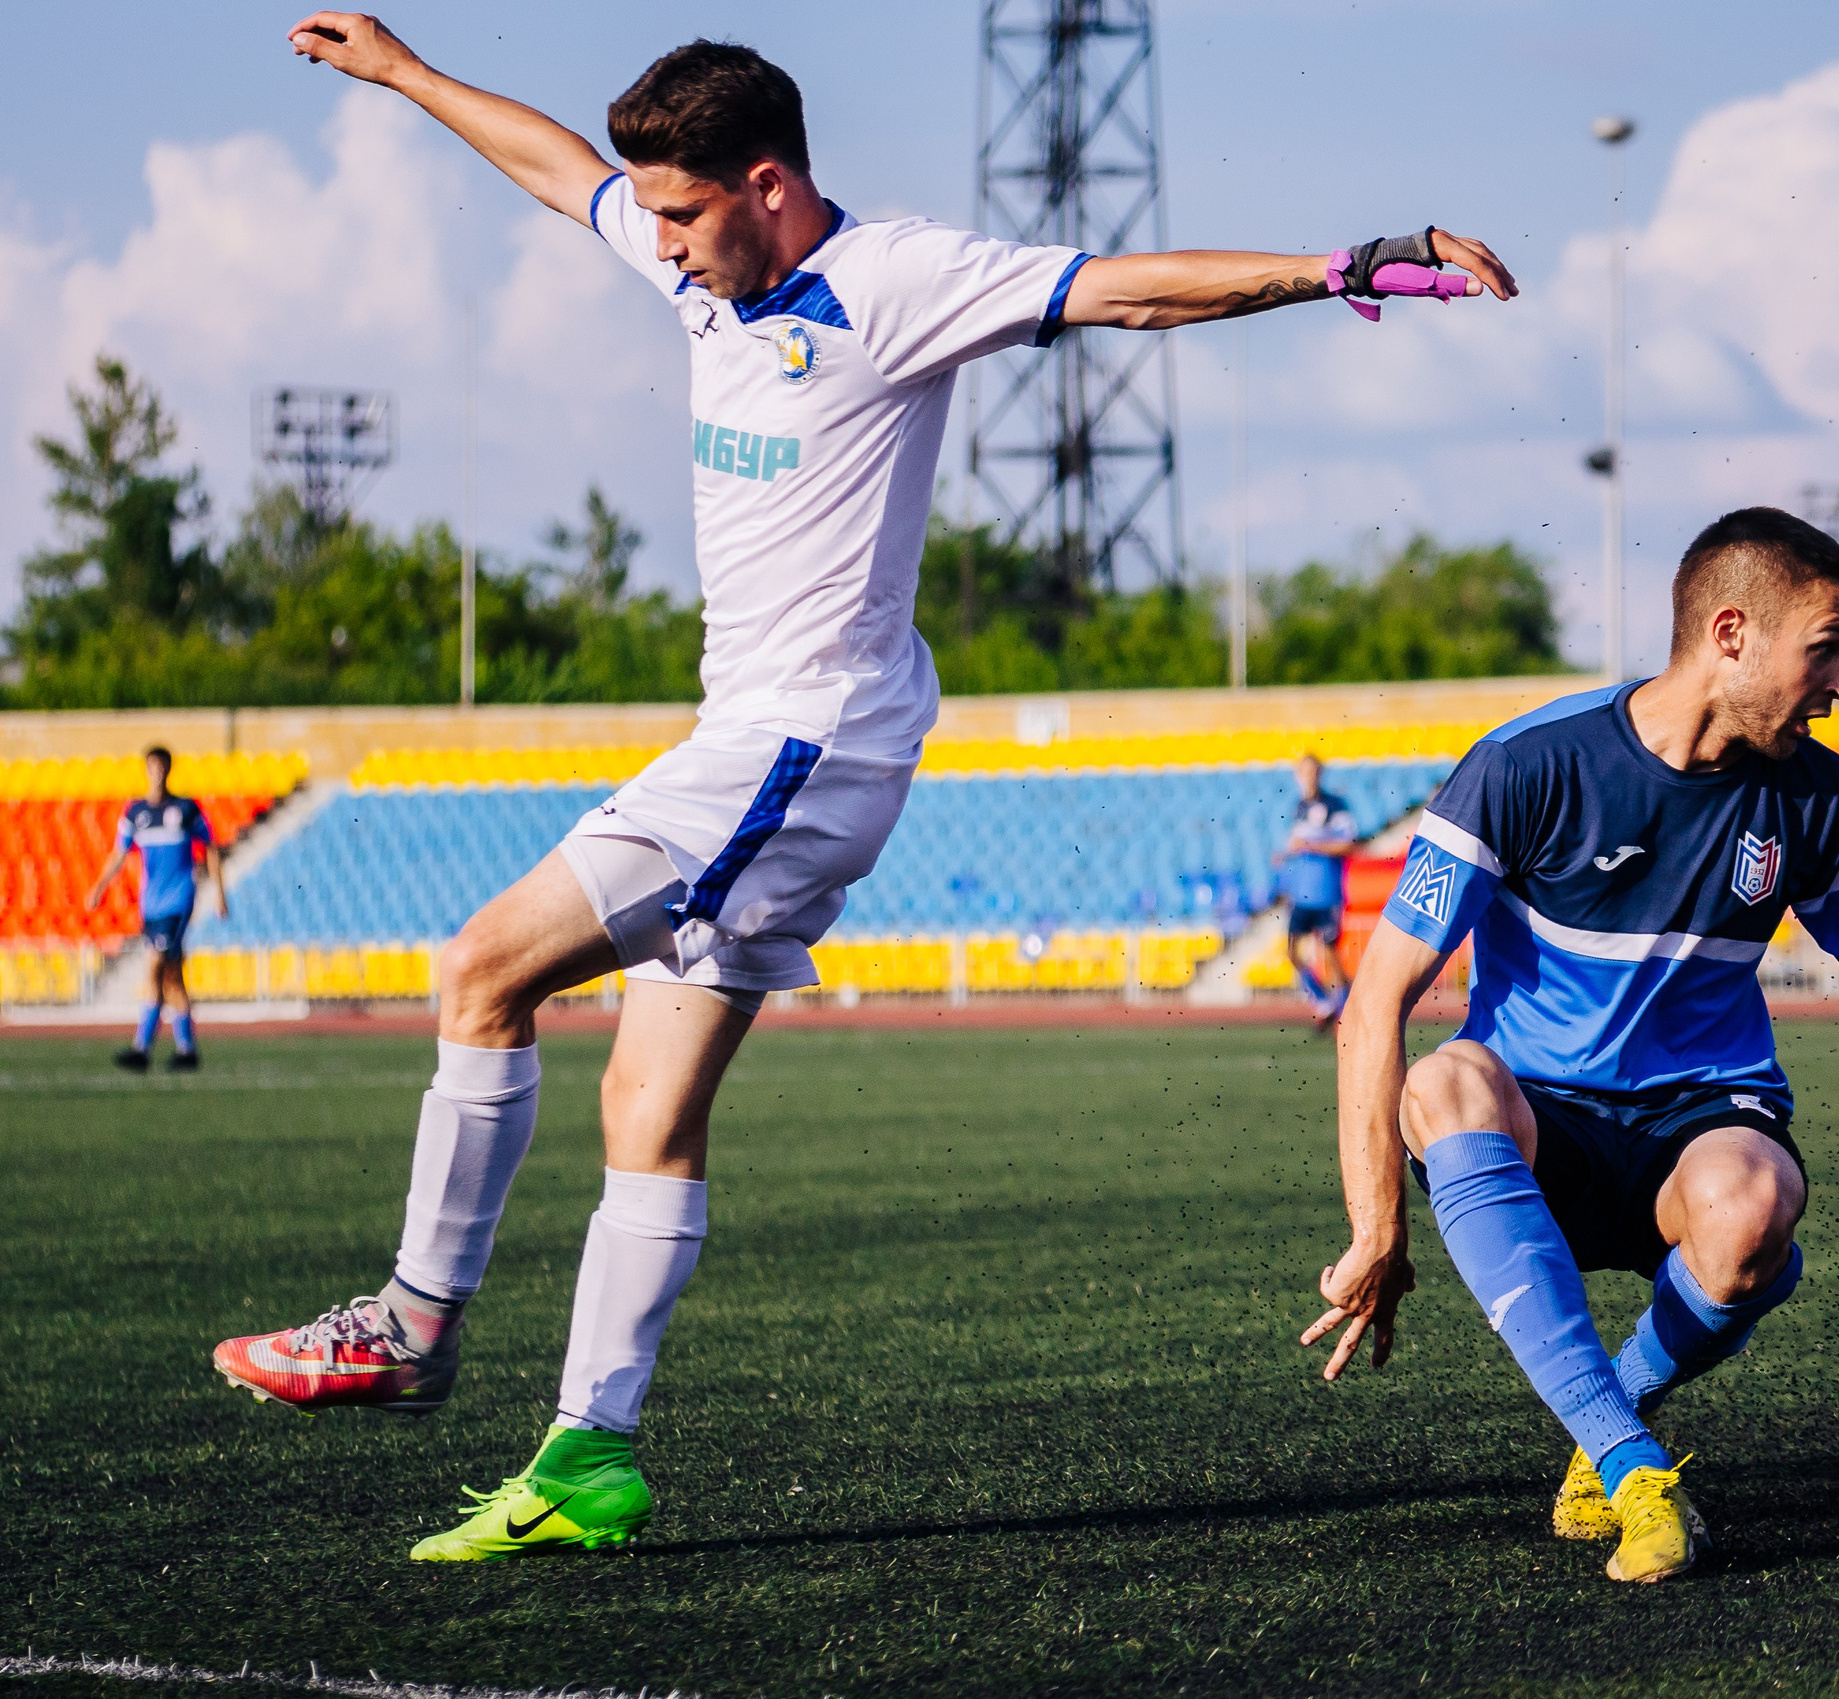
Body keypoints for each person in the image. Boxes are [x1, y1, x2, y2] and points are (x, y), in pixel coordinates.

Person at [213, 12, 1517, 1564]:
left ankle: (417, 1320)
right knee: (646, 1098)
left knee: (480, 968)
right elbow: (561, 171)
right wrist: (409, 76)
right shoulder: (699, 261)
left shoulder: (895, 279)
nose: (667, 247)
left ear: (768, 184)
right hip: (760, 743)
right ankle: (588, 1457)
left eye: (689, 215)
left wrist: (1344, 264)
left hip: (800, 745)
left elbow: (1127, 295)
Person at [1301, 508, 1839, 1584]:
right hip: (1536, 1125)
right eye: (1826, 648)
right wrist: (1377, 1230)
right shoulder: (1527, 765)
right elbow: (1376, 1001)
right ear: (1732, 631)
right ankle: (1628, 1464)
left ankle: (1609, 1415)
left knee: (1751, 1216)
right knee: (1445, 1077)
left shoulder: (1817, 798)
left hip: (1697, 1125)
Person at [83, 745, 227, 1073]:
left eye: (161, 768)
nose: (156, 774)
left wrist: (220, 893)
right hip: (151, 904)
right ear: (146, 770)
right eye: (152, 768)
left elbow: (212, 847)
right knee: (172, 977)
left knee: (154, 964)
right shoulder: (135, 813)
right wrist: (99, 886)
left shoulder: (186, 809)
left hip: (178, 900)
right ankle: (186, 1050)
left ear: (169, 770)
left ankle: (141, 1048)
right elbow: (119, 853)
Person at [1274, 754, 1358, 1028]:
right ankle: (1323, 1002)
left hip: (1327, 891)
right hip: (1302, 893)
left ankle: (1346, 1009)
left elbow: (1348, 844)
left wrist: (1309, 845)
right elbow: (1296, 846)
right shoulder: (1298, 807)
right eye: (1303, 772)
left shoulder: (1334, 806)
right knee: (1291, 952)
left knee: (1331, 955)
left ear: (1320, 773)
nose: (1308, 777)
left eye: (1313, 771)